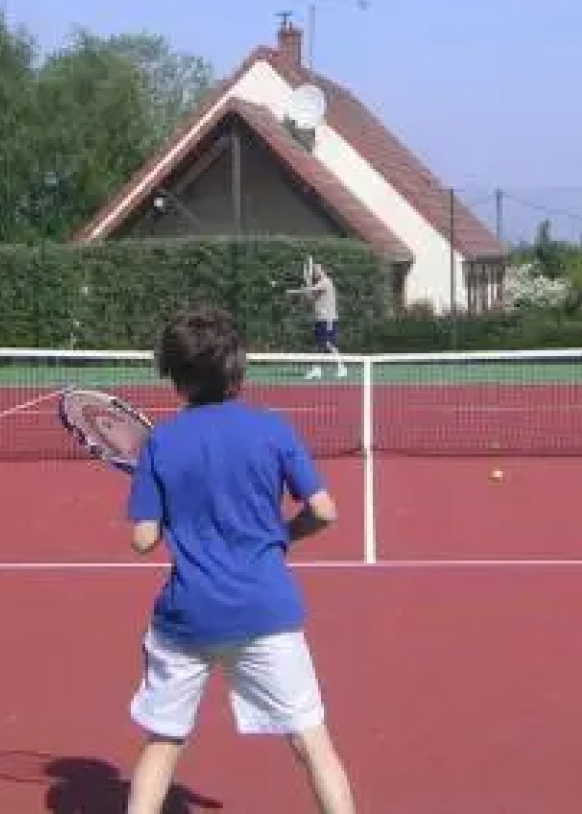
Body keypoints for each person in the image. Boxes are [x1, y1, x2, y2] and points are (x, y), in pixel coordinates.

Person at [122, 306, 358, 814]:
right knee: (312, 742)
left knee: (163, 743)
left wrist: (159, 497)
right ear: (238, 367)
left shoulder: (161, 443)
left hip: (188, 617)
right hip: (266, 610)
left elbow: (143, 540)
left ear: (175, 376)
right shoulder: (273, 430)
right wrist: (281, 536)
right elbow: (324, 511)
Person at [285, 262, 347, 378]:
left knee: (328, 344)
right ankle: (318, 369)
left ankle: (340, 368)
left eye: (316, 270)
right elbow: (312, 299)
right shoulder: (319, 283)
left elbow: (311, 289)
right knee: (321, 344)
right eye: (314, 270)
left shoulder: (326, 282)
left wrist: (293, 291)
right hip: (320, 319)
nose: (315, 272)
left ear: (322, 270)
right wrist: (306, 290)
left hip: (328, 319)